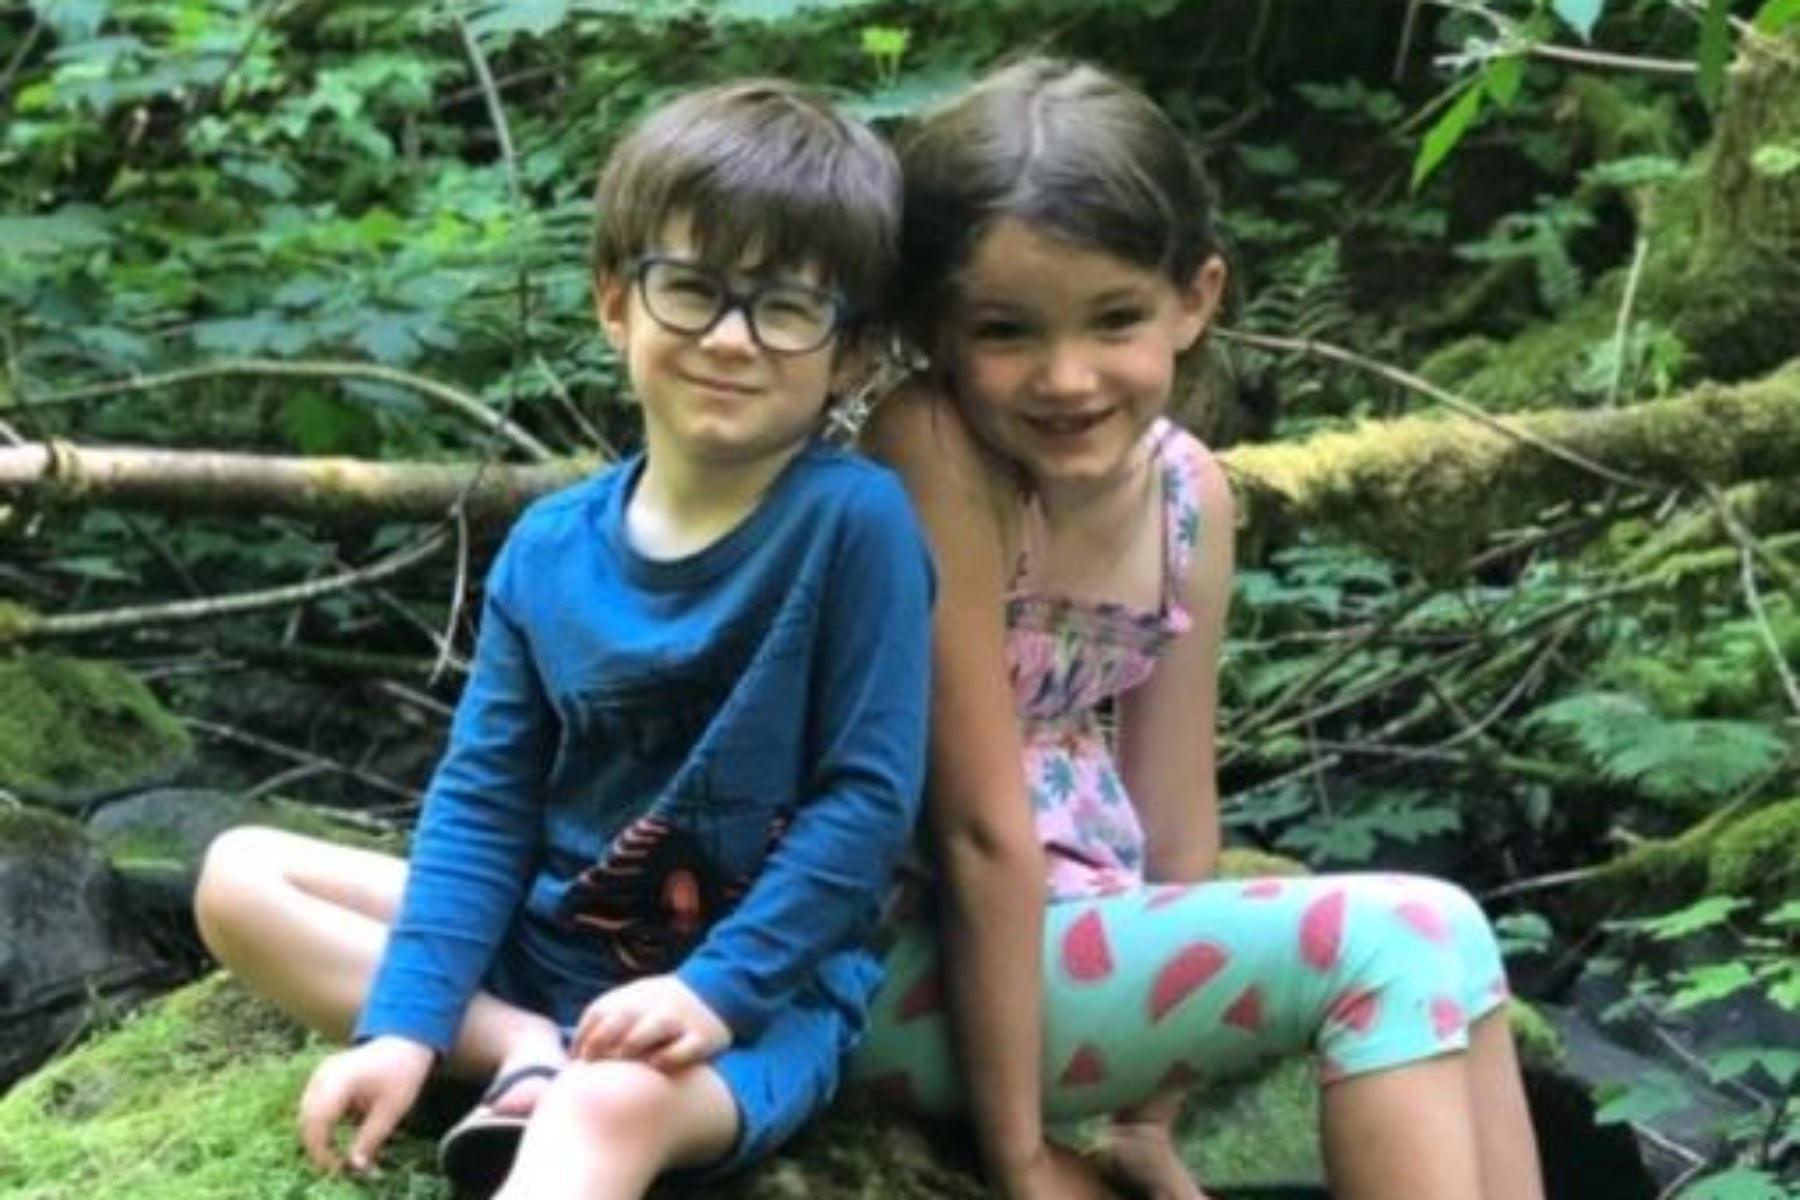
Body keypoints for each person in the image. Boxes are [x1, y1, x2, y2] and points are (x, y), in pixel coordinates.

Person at [193, 78, 934, 1200]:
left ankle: (563, 1083)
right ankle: (517, 1049)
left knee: (605, 1106)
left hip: (748, 996)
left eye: (786, 307)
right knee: (239, 876)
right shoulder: (548, 548)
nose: (730, 339)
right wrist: (404, 1025)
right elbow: (485, 800)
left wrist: (713, 994)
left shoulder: (855, 525)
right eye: (691, 289)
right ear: (615, 303)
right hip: (544, 945)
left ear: (854, 352)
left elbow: (867, 803)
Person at [850, 57, 1546, 1200]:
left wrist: (1146, 1125)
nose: (1067, 376)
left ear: (1196, 297)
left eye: (1115, 319)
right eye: (1008, 331)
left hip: (1081, 945)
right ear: (934, 329)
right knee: (1401, 935)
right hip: (891, 967)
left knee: (1458, 941)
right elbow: (976, 833)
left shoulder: (1188, 495)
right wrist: (1019, 1155)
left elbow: (1173, 820)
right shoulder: (931, 451)